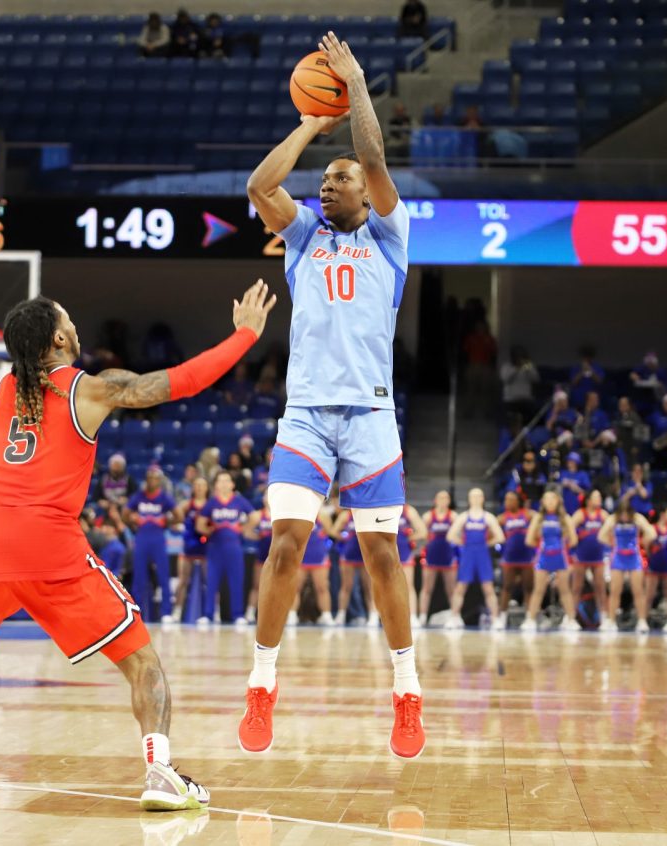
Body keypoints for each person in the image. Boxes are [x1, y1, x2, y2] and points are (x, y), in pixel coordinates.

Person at [0, 282, 274, 811]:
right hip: (49, 543)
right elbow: (175, 383)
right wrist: (245, 335)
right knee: (142, 660)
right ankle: (159, 771)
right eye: (69, 318)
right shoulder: (90, 388)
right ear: (60, 337)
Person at [240, 31, 424, 760]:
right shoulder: (302, 236)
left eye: (337, 179)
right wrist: (311, 124)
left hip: (373, 416)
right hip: (308, 417)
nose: (327, 185)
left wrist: (354, 89)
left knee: (382, 554)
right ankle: (262, 683)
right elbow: (259, 187)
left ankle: (406, 695)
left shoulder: (389, 235)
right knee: (287, 545)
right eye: (324, 180)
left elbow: (375, 158)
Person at [196, 471, 253, 626]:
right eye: (220, 481)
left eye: (226, 481)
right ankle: (208, 614)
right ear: (215, 485)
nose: (223, 484)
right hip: (215, 548)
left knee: (236, 580)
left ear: (232, 484)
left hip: (235, 547)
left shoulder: (239, 502)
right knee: (212, 581)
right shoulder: (212, 503)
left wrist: (244, 529)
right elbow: (200, 524)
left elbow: (254, 516)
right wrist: (208, 531)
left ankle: (238, 614)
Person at [521, 490, 580, 632]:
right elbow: (529, 540)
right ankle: (530, 619)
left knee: (565, 589)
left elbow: (574, 540)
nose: (550, 502)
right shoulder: (539, 518)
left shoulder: (565, 518)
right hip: (543, 557)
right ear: (543, 502)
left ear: (558, 501)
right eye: (546, 499)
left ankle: (571, 620)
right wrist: (542, 547)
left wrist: (561, 546)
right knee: (538, 589)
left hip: (561, 556)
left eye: (552, 499)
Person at [445, 488, 504, 630]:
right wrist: (463, 543)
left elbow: (500, 537)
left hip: (482, 554)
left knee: (488, 587)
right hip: (468, 554)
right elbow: (450, 535)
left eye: (479, 496)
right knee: (460, 587)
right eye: (473, 496)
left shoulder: (488, 517)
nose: (476, 498)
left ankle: (495, 619)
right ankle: (454, 617)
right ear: (469, 499)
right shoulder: (464, 517)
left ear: (483, 498)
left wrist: (486, 544)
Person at [125, 466, 178, 622]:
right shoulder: (139, 496)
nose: (152, 480)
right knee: (139, 577)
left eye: (155, 477)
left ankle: (166, 612)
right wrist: (133, 521)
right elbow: (125, 514)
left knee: (163, 575)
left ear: (160, 480)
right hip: (141, 538)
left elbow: (179, 515)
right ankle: (137, 612)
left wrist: (166, 520)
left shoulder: (164, 497)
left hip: (158, 538)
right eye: (149, 477)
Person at [598, 503, 655, 633]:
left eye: (626, 512)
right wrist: (611, 543)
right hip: (618, 557)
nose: (624, 515)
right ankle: (612, 621)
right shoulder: (613, 519)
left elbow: (652, 533)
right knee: (614, 591)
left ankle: (642, 621)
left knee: (638, 590)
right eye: (621, 512)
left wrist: (642, 542)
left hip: (634, 558)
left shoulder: (637, 518)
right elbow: (601, 536)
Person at [169, 475, 209, 623]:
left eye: (202, 485)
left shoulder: (210, 505)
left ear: (206, 488)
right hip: (188, 547)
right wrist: (179, 526)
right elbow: (174, 519)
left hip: (206, 547)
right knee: (183, 580)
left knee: (209, 581)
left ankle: (212, 613)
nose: (199, 487)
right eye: (196, 485)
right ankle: (177, 612)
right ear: (193, 488)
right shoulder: (186, 504)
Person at [569, 490, 610, 628]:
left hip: (598, 556)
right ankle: (570, 618)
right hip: (581, 556)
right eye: (596, 497)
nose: (599, 499)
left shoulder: (603, 515)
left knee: (600, 587)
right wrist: (574, 541)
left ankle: (604, 617)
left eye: (600, 497)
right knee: (577, 587)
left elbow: (612, 529)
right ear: (588, 500)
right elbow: (568, 530)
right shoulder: (580, 514)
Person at [497, 491, 536, 629]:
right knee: (507, 587)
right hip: (509, 558)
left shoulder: (529, 514)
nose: (508, 502)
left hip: (527, 558)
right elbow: (491, 532)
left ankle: (529, 618)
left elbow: (540, 523)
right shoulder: (502, 518)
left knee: (528, 588)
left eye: (511, 499)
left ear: (518, 501)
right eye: (506, 499)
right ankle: (502, 617)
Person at [420, 491, 457, 626]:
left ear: (449, 501)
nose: (443, 500)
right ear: (435, 500)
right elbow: (423, 534)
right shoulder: (428, 516)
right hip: (432, 555)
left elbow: (459, 533)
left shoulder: (453, 516)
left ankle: (454, 616)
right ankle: (422, 617)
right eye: (440, 497)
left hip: (448, 555)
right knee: (426, 588)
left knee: (451, 589)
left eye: (446, 497)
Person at [333, 509, 375, 626]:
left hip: (365, 554)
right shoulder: (345, 515)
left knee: (369, 587)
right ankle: (341, 615)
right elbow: (333, 531)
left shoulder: (368, 512)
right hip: (349, 554)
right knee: (346, 586)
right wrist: (345, 537)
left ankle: (373, 615)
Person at [296, 507, 336, 625]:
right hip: (301, 556)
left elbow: (332, 532)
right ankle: (291, 615)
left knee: (322, 587)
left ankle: (326, 615)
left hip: (319, 557)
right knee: (295, 588)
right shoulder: (300, 513)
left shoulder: (322, 515)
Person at [396, 502, 428, 628]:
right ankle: (377, 616)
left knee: (408, 585)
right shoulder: (383, 507)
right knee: (384, 586)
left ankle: (413, 616)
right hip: (387, 552)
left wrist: (408, 539)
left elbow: (423, 532)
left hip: (404, 552)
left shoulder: (408, 510)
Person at [645, 505, 667, 618]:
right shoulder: (652, 528)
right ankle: (643, 619)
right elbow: (646, 546)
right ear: (663, 514)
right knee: (649, 594)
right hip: (654, 565)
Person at [244, 500, 272, 623]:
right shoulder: (258, 515)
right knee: (257, 585)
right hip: (262, 555)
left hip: (277, 556)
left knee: (277, 586)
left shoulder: (281, 514)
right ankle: (250, 612)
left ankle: (276, 614)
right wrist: (260, 536)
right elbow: (246, 532)